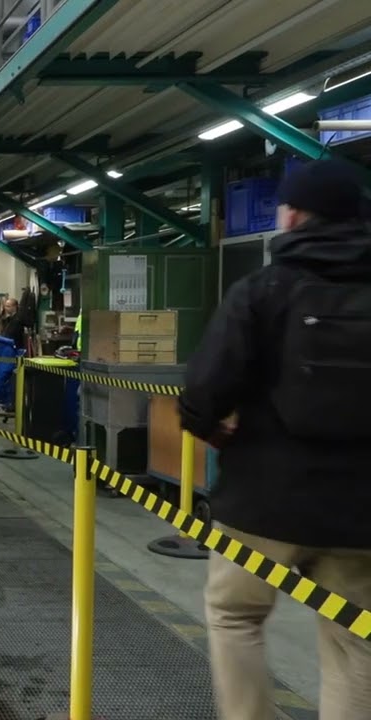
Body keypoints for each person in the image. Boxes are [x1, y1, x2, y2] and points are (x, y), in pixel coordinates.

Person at [179, 158, 371, 720]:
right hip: (360, 515)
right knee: (354, 641)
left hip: (262, 504)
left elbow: (203, 388)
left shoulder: (262, 290)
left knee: (236, 616)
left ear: (291, 217)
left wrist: (210, 428)